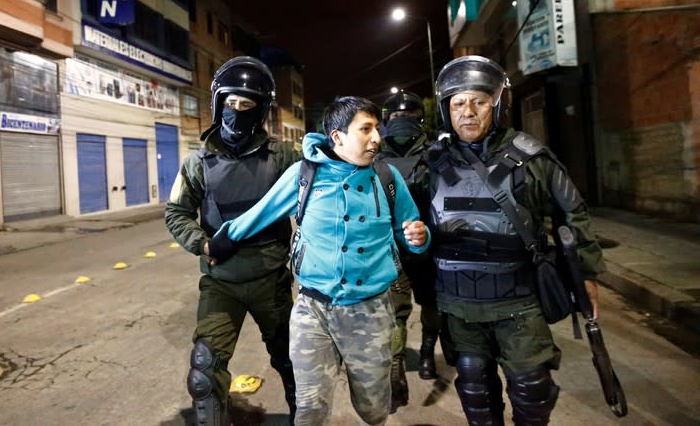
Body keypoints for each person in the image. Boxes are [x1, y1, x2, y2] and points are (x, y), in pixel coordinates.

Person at [208, 96, 430, 426]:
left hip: (370, 312)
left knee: (373, 409)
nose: (377, 138)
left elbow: (411, 229)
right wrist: (222, 240)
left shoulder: (386, 177)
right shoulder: (305, 174)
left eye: (377, 129)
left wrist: (419, 238)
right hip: (313, 310)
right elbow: (261, 213)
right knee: (310, 409)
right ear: (338, 136)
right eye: (365, 129)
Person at [427, 55, 606, 425]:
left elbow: (573, 213)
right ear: (447, 110)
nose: (468, 112)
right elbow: (399, 212)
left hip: (519, 302)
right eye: (458, 103)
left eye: (479, 101)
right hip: (459, 305)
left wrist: (586, 275)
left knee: (532, 390)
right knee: (475, 390)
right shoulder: (430, 162)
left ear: (497, 104)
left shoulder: (531, 158)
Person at [163, 56, 299, 426]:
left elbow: (318, 199)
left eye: (247, 105)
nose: (237, 112)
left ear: (261, 111)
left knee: (294, 364)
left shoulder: (284, 158)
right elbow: (176, 213)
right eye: (231, 103)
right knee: (204, 373)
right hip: (221, 282)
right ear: (218, 103)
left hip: (271, 280)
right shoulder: (197, 163)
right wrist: (204, 245)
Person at [375, 90, 442, 409]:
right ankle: (398, 363)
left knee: (430, 304)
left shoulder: (436, 153)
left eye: (407, 117)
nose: (400, 122)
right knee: (396, 309)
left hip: (428, 243)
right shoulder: (375, 154)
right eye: (395, 117)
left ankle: (427, 352)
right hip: (392, 246)